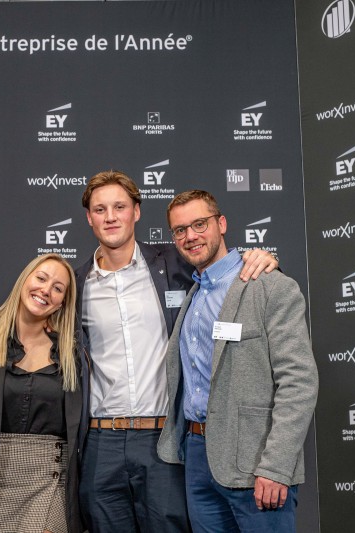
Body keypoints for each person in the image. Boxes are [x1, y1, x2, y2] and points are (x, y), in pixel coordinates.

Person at [73, 170, 279, 532]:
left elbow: (227, 268)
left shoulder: (175, 261)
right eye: (100, 209)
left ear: (136, 211)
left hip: (163, 440)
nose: (110, 217)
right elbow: (30, 314)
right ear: (89, 218)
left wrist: (262, 258)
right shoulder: (76, 283)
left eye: (120, 207)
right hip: (101, 442)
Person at [157, 190, 318, 532]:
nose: (190, 236)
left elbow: (299, 381)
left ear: (222, 223)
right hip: (198, 455)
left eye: (200, 224)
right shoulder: (194, 295)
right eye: (180, 230)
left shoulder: (270, 285)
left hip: (255, 463)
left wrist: (276, 466)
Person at [0, 254, 87, 533]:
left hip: (49, 479)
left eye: (58, 288)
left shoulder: (71, 354)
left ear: (62, 302)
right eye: (41, 278)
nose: (46, 290)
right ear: (24, 280)